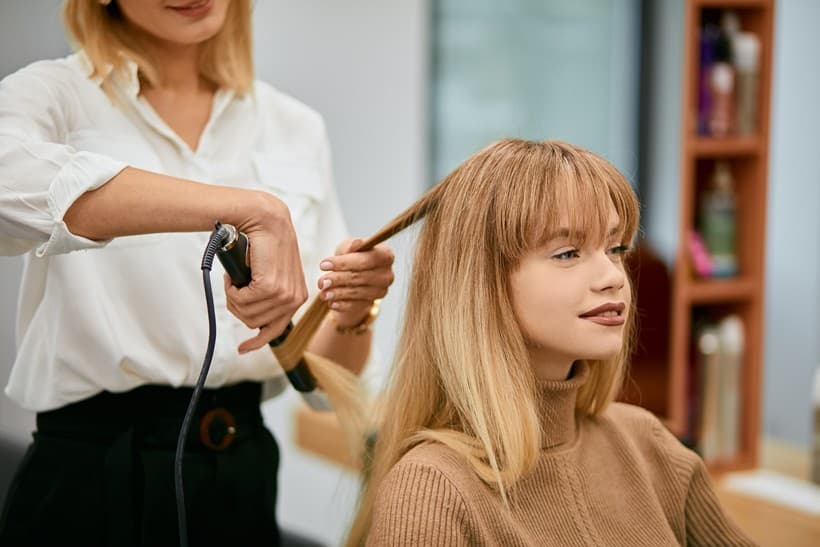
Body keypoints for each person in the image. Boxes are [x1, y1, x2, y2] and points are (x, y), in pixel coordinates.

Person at [0, 0, 393, 545]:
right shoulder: (55, 97)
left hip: (242, 478)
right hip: (92, 480)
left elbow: (320, 387)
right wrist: (246, 207)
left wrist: (354, 311)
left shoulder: (295, 127)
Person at [345, 139, 757, 546]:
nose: (613, 277)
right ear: (483, 285)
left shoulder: (648, 445)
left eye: (615, 248)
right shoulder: (431, 491)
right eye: (567, 254)